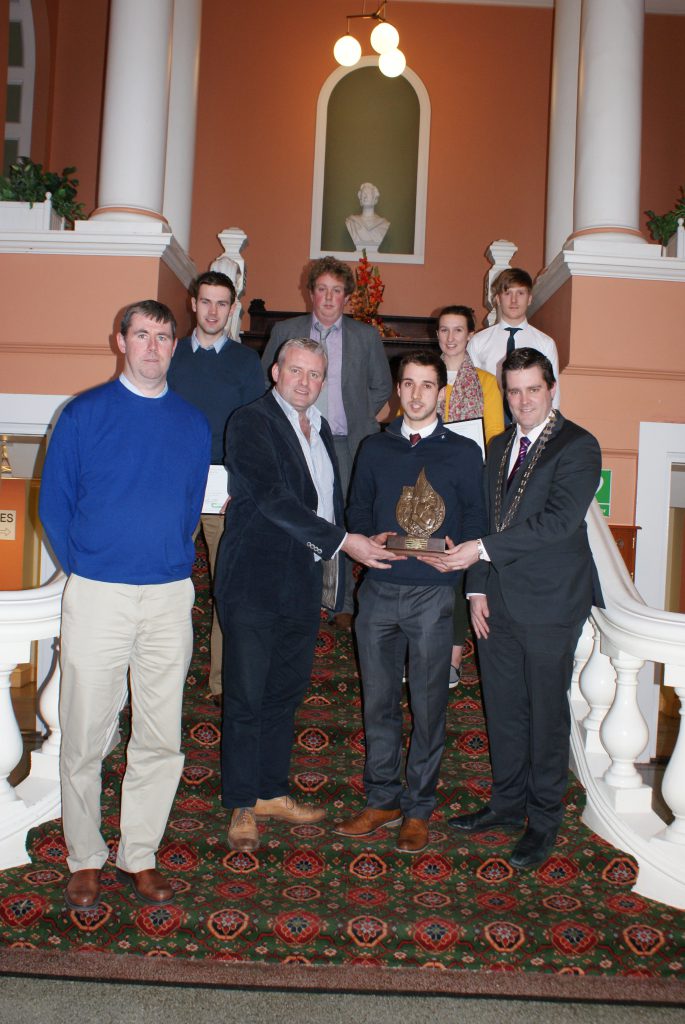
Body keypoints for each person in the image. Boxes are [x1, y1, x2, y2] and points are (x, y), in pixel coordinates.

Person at [39, 300, 211, 911]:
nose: (153, 346)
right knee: (84, 733)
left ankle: (139, 852)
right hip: (99, 594)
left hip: (167, 597)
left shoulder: (192, 424)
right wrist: (91, 564)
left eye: (164, 337)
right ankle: (83, 855)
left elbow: (191, 508)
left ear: (172, 346)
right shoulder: (84, 414)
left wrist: (164, 558)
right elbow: (53, 506)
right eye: (142, 335)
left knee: (160, 737)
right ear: (121, 341)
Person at [214, 338, 398, 853]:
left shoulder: (317, 429)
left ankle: (271, 791)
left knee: (284, 692)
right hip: (253, 580)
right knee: (247, 695)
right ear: (276, 371)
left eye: (315, 375)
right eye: (296, 371)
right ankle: (242, 804)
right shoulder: (251, 421)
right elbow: (274, 498)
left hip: (301, 581)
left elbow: (325, 503)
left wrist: (360, 534)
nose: (304, 382)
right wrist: (345, 542)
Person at [420, 348, 602, 869]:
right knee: (502, 709)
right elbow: (484, 520)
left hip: (551, 603)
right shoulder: (498, 446)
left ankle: (543, 821)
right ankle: (505, 804)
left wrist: (479, 553)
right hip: (495, 601)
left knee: (545, 714)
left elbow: (558, 521)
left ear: (551, 389)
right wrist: (477, 587)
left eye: (533, 390)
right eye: (514, 390)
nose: (523, 400)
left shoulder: (577, 445)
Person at [334, 351, 487, 854]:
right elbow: (355, 508)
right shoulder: (374, 449)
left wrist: (459, 557)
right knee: (377, 702)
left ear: (441, 392)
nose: (417, 394)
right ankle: (382, 799)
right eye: (409, 384)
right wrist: (365, 535)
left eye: (427, 385)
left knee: (428, 705)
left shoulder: (464, 452)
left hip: (433, 594)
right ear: (397, 391)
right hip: (378, 590)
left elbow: (474, 522)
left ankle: (418, 807)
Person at [261, 256, 393, 628]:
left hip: (346, 442)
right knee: (299, 508)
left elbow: (382, 385)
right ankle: (299, 589)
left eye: (337, 291)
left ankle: (343, 602)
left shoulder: (365, 337)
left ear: (347, 297)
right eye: (323, 289)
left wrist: (359, 415)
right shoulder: (285, 331)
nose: (329, 298)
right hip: (295, 436)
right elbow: (266, 379)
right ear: (311, 293)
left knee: (347, 514)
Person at [168, 271, 266, 702]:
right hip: (172, 485)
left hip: (222, 488)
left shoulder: (246, 362)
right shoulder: (170, 355)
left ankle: (221, 682)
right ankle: (164, 675)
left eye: (222, 303)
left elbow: (253, 429)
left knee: (227, 585)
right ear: (193, 303)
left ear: (232, 308)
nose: (212, 311)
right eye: (205, 301)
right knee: (164, 583)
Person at [436, 304, 504, 687]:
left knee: (461, 564)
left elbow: (494, 436)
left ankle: (453, 656)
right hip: (429, 482)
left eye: (458, 330)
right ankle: (424, 649)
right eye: (444, 330)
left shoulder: (485, 382)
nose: (450, 337)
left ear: (469, 335)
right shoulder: (424, 375)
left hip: (469, 482)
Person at [467, 268, 560, 421]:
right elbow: (470, 391)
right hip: (490, 425)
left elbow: (553, 395)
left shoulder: (545, 344)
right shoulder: (478, 342)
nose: (514, 300)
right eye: (508, 293)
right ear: (497, 299)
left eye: (521, 293)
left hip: (532, 424)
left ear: (529, 299)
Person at [345, 182, 391, 252]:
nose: (365, 196)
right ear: (360, 197)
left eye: (369, 193)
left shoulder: (383, 224)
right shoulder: (351, 222)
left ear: (374, 198)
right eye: (363, 194)